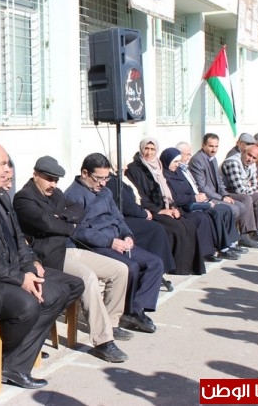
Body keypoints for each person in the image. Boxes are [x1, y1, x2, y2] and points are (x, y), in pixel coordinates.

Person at [0, 141, 84, 389]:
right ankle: (13, 363)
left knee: (72, 285)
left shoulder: (0, 195)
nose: (7, 170)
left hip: (4, 270)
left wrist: (30, 264)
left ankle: (11, 356)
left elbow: (18, 238)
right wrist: (20, 279)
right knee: (29, 302)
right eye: (2, 164)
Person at [13, 155, 131, 363]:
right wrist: (66, 224)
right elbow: (47, 223)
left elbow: (78, 211)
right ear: (35, 175)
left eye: (56, 180)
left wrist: (61, 218)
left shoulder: (56, 193)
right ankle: (103, 341)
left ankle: (111, 323)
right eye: (48, 179)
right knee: (88, 277)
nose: (53, 184)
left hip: (68, 249)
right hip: (48, 256)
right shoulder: (24, 198)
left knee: (119, 269)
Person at [64, 153, 163, 333]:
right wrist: (110, 242)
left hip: (117, 238)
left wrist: (127, 235)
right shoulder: (73, 196)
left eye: (106, 178)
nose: (103, 183)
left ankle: (134, 310)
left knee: (154, 263)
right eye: (99, 178)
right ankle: (119, 314)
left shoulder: (106, 192)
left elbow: (118, 218)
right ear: (85, 173)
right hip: (96, 245)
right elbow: (78, 231)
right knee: (130, 267)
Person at [125, 138, 208, 273]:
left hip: (166, 207)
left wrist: (173, 208)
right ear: (141, 149)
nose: (149, 152)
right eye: (146, 148)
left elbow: (168, 192)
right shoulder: (134, 169)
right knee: (177, 228)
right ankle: (177, 268)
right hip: (151, 210)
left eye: (152, 149)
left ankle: (190, 266)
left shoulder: (159, 166)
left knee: (188, 225)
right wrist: (160, 211)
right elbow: (141, 197)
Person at [160, 147, 241, 262]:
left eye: (178, 161)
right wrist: (194, 198)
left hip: (193, 202)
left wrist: (200, 199)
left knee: (225, 209)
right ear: (167, 161)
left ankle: (230, 243)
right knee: (210, 215)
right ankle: (218, 249)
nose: (178, 164)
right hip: (182, 208)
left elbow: (190, 189)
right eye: (175, 162)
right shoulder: (164, 176)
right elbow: (174, 198)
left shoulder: (179, 172)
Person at [189, 133, 258, 249]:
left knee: (246, 201)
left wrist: (225, 195)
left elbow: (219, 181)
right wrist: (222, 198)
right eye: (211, 146)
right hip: (207, 197)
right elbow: (203, 187)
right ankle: (227, 242)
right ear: (203, 145)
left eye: (216, 146)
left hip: (220, 194)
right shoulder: (197, 160)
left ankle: (245, 235)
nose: (214, 150)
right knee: (235, 208)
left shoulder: (213, 159)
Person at [105, 174, 177, 287]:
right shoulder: (111, 180)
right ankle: (153, 274)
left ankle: (156, 272)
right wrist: (145, 213)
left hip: (133, 214)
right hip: (121, 220)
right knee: (155, 228)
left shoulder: (120, 177)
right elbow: (127, 206)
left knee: (173, 224)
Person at [221, 143, 258, 242]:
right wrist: (254, 189)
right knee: (247, 198)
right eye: (249, 155)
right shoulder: (233, 162)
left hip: (241, 190)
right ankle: (246, 234)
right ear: (244, 152)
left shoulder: (252, 164)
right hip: (227, 192)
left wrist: (254, 188)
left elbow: (254, 183)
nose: (251, 159)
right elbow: (239, 190)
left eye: (254, 158)